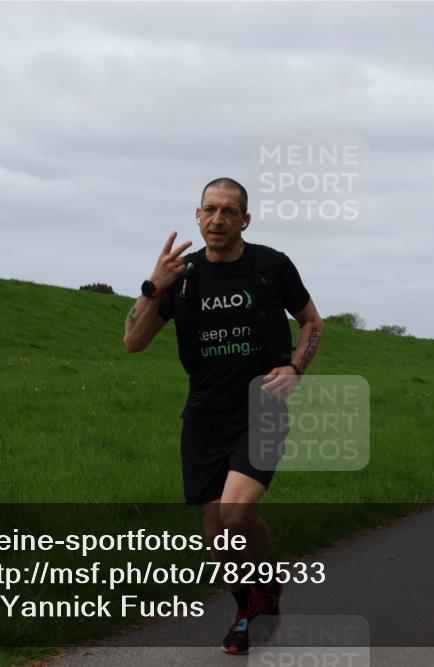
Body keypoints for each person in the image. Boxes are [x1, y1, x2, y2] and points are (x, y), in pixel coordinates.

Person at [123, 177, 322, 655]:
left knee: (235, 515)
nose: (218, 219)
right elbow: (133, 341)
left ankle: (260, 590)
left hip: (262, 408)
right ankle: (252, 603)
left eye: (229, 211)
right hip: (203, 415)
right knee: (218, 538)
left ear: (244, 220)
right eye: (210, 209)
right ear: (197, 215)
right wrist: (154, 287)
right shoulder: (182, 276)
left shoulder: (271, 266)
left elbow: (312, 320)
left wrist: (296, 368)